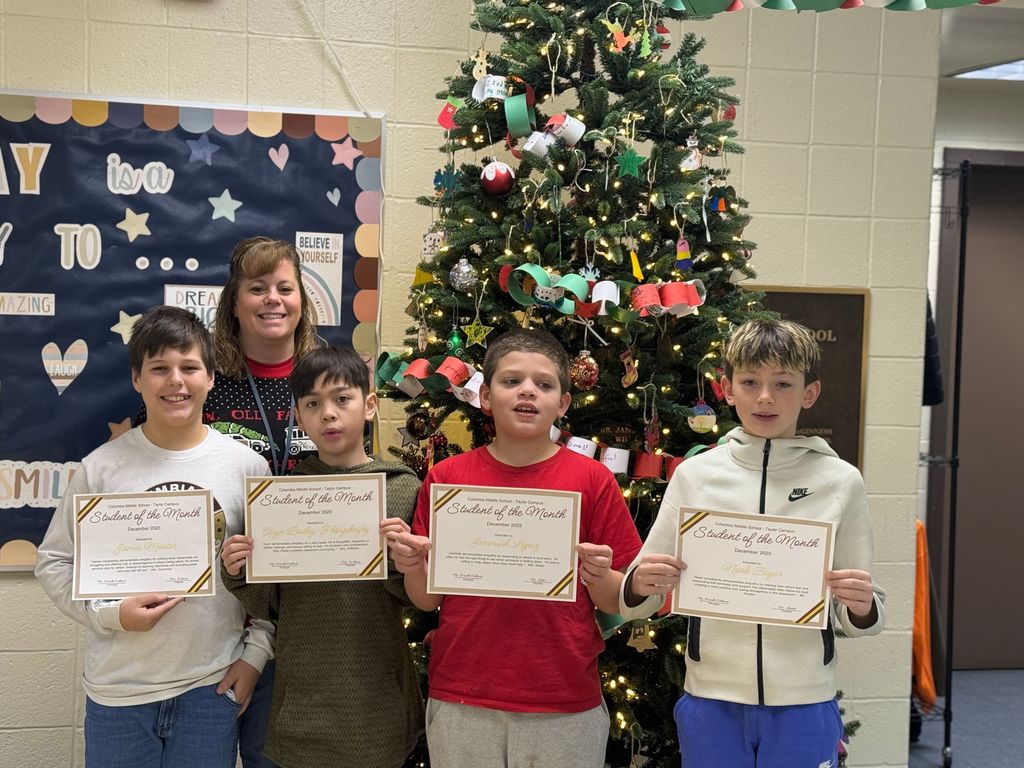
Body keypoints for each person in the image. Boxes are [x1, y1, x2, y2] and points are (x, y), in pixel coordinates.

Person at [619, 318, 886, 768]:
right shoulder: (695, 475)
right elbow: (636, 600)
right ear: (726, 388)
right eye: (750, 381)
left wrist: (861, 605)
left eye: (783, 383)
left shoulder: (840, 481)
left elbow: (862, 610)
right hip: (711, 700)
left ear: (809, 394)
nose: (765, 396)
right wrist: (641, 583)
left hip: (804, 702)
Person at [386, 328, 642, 768]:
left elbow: (616, 599)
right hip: (463, 695)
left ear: (563, 403)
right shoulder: (448, 479)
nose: (527, 391)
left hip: (564, 699)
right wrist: (413, 564)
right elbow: (427, 599)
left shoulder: (593, 480)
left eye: (544, 384)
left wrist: (600, 575)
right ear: (485, 396)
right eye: (511, 381)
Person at [35, 306, 273, 768]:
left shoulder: (246, 467)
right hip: (118, 690)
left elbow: (272, 579)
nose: (175, 381)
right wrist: (110, 616)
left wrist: (256, 657)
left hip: (211, 686)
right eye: (159, 369)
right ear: (136, 379)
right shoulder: (101, 468)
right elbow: (54, 562)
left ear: (209, 378)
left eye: (189, 367)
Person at [219, 346, 424, 767]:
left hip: (376, 692)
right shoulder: (280, 496)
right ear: (298, 415)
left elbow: (416, 599)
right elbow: (272, 605)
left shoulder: (402, 487)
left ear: (369, 406)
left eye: (342, 399)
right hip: (302, 696)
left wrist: (404, 561)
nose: (328, 414)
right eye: (313, 404)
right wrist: (238, 572)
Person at [209, 235, 322, 767]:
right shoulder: (201, 381)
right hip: (214, 610)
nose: (273, 300)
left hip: (299, 617)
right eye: (257, 289)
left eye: (285, 287)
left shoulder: (326, 380)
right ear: (234, 302)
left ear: (303, 299)